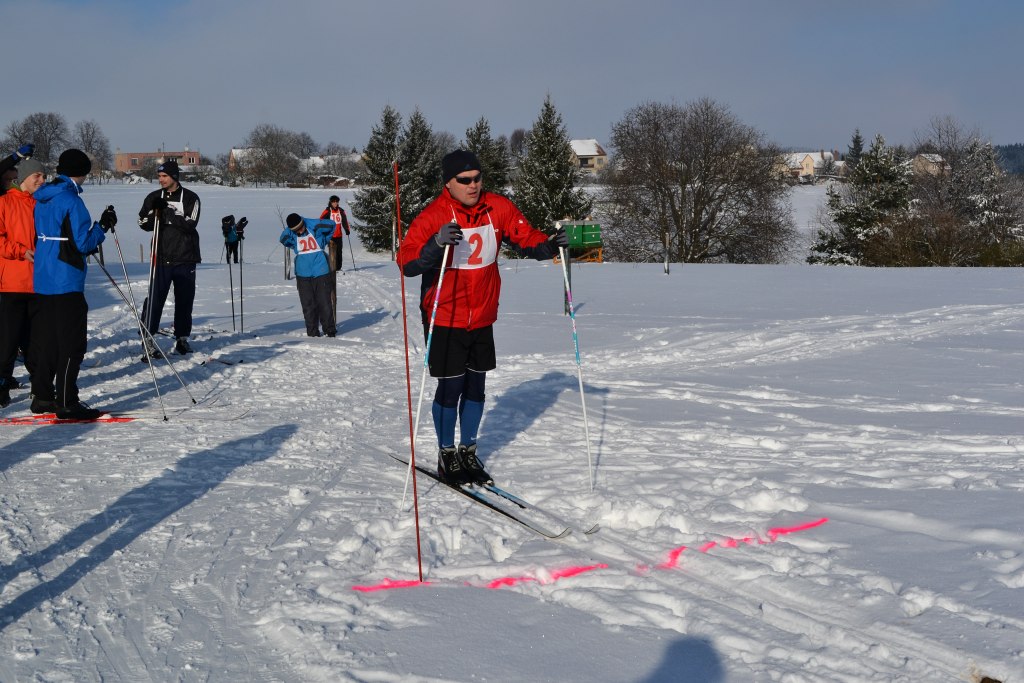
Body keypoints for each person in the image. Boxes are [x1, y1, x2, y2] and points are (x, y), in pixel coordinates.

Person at [397, 150, 568, 486]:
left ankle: (468, 451)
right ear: (448, 183)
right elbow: (407, 262)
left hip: (482, 316)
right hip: (445, 316)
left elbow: (526, 238)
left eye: (477, 178)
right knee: (451, 388)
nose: (473, 185)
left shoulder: (497, 207)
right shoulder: (434, 215)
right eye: (464, 180)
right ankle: (447, 454)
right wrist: (436, 243)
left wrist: (550, 245)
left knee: (476, 387)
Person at [28, 149, 112, 419]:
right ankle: (66, 401)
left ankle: (42, 396)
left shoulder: (43, 197)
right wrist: (102, 227)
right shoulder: (71, 200)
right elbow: (83, 243)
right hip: (66, 280)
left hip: (43, 278)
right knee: (71, 343)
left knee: (48, 340)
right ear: (81, 172)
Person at [137, 159, 201, 359]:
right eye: (159, 176)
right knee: (155, 299)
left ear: (174, 177)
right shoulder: (154, 197)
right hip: (161, 256)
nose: (161, 180)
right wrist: (154, 213)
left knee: (184, 301)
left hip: (185, 257)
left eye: (164, 176)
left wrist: (168, 212)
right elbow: (142, 222)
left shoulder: (191, 198)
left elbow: (190, 224)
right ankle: (148, 337)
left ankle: (182, 338)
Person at [0, 159, 45, 407]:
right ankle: (2, 384)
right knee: (8, 339)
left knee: (36, 339)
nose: (42, 180)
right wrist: (21, 251)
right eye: (37, 175)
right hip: (13, 282)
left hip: (39, 282)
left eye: (44, 176)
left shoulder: (41, 203)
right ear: (24, 178)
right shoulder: (4, 202)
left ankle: (40, 387)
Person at [279, 213, 336, 338]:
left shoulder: (314, 226)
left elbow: (332, 225)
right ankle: (312, 333)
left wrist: (324, 240)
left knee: (324, 303)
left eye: (300, 228)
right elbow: (283, 239)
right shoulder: (292, 233)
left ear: (303, 223)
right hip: (302, 273)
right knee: (308, 305)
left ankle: (330, 331)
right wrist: (292, 232)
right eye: (296, 230)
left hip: (321, 271)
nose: (299, 231)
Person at [319, 194, 351, 271]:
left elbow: (344, 221)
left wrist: (347, 229)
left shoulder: (341, 211)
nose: (335, 203)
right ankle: (333, 268)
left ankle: (339, 268)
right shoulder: (327, 211)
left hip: (339, 235)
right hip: (331, 236)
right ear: (331, 202)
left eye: (337, 201)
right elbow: (320, 220)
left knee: (339, 252)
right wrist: (323, 231)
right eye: (333, 202)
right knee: (332, 252)